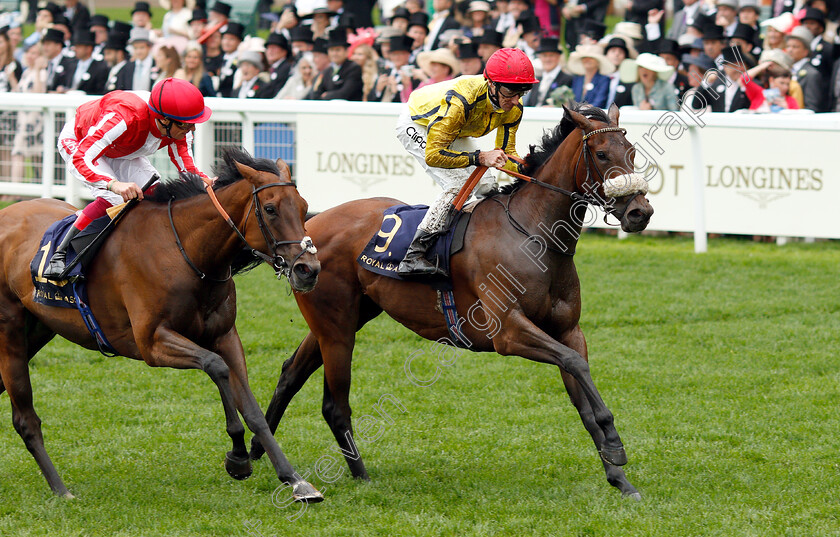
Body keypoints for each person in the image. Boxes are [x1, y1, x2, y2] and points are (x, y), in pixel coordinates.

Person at [42, 78, 212, 279]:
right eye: (186, 125)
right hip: (80, 143)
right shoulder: (125, 117)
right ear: (164, 119)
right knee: (114, 199)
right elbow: (81, 157)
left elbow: (186, 166)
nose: (191, 129)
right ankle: (60, 255)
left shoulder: (178, 124)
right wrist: (113, 184)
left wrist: (206, 180)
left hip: (120, 149)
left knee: (153, 194)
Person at [394, 48, 537, 277]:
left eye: (523, 91)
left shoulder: (514, 109)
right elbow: (435, 155)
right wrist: (481, 157)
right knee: (458, 185)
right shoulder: (462, 100)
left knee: (488, 186)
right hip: (417, 123)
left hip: (455, 132)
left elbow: (506, 153)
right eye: (510, 91)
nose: (515, 100)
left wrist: (528, 167)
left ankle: (478, 243)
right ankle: (414, 255)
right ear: (491, 83)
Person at [567, 43, 613, 108]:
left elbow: (600, 101)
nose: (587, 60)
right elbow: (572, 99)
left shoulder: (604, 79)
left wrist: (585, 108)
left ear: (598, 61)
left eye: (591, 58)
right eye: (584, 57)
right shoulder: (577, 79)